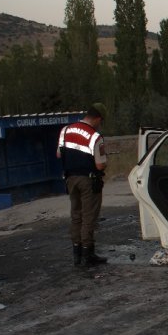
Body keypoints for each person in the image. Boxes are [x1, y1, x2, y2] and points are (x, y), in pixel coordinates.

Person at [56, 106, 108, 266]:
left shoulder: (65, 130)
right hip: (88, 181)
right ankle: (88, 254)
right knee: (88, 216)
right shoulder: (95, 136)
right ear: (98, 119)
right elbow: (100, 166)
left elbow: (59, 154)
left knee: (76, 216)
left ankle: (76, 254)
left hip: (70, 179)